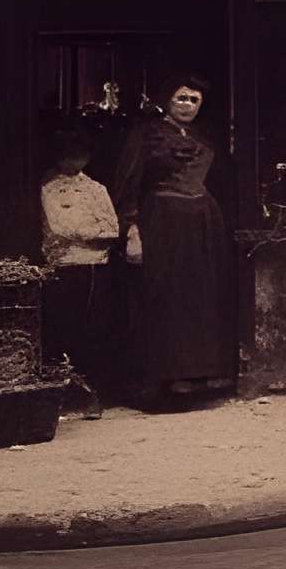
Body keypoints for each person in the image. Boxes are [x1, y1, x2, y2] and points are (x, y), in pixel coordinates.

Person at [112, 73, 235, 404]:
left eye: (194, 100)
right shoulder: (146, 135)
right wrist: (132, 230)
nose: (187, 105)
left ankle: (203, 375)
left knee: (201, 294)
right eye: (182, 98)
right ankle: (168, 378)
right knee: (167, 294)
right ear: (167, 99)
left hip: (203, 225)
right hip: (162, 223)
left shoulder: (204, 137)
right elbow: (128, 184)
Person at [39, 136, 120, 411]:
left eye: (81, 153)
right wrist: (90, 231)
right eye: (69, 154)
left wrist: (91, 235)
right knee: (64, 328)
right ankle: (63, 393)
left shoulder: (97, 189)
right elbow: (59, 227)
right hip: (64, 265)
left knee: (94, 329)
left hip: (97, 265)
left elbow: (111, 228)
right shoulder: (49, 189)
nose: (75, 160)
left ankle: (93, 393)